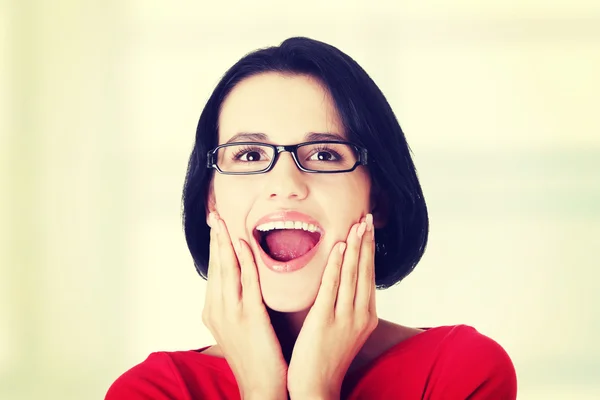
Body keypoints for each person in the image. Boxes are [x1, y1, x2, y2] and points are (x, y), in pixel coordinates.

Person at [105, 37, 517, 399]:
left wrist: (315, 389)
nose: (286, 183)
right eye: (249, 155)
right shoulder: (153, 392)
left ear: (380, 200)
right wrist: (261, 391)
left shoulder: (459, 372)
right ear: (211, 201)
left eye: (323, 154)